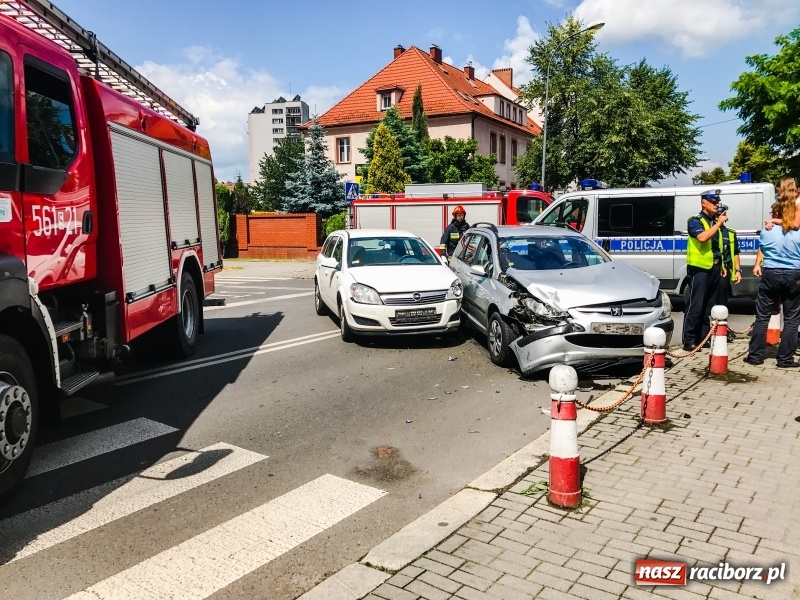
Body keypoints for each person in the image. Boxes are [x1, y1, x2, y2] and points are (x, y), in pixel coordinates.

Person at [745, 197, 800, 367]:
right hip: (794, 274)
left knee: (762, 316)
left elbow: (764, 248)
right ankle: (784, 359)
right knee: (791, 318)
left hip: (771, 273)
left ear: (776, 214)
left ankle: (755, 356)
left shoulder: (766, 230)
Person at [682, 189, 729, 351]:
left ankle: (703, 337)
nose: (717, 205)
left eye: (718, 202)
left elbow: (718, 247)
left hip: (714, 267)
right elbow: (702, 238)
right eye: (713, 202)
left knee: (708, 306)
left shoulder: (713, 222)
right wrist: (718, 224)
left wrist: (722, 266)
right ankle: (689, 340)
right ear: (704, 203)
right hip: (699, 268)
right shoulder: (695, 220)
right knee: (696, 305)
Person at [716, 203, 742, 341]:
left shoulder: (730, 233)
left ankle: (722, 330)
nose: (727, 218)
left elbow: (736, 253)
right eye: (724, 214)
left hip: (724, 274)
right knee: (708, 304)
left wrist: (737, 270)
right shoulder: (711, 230)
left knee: (722, 303)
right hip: (712, 271)